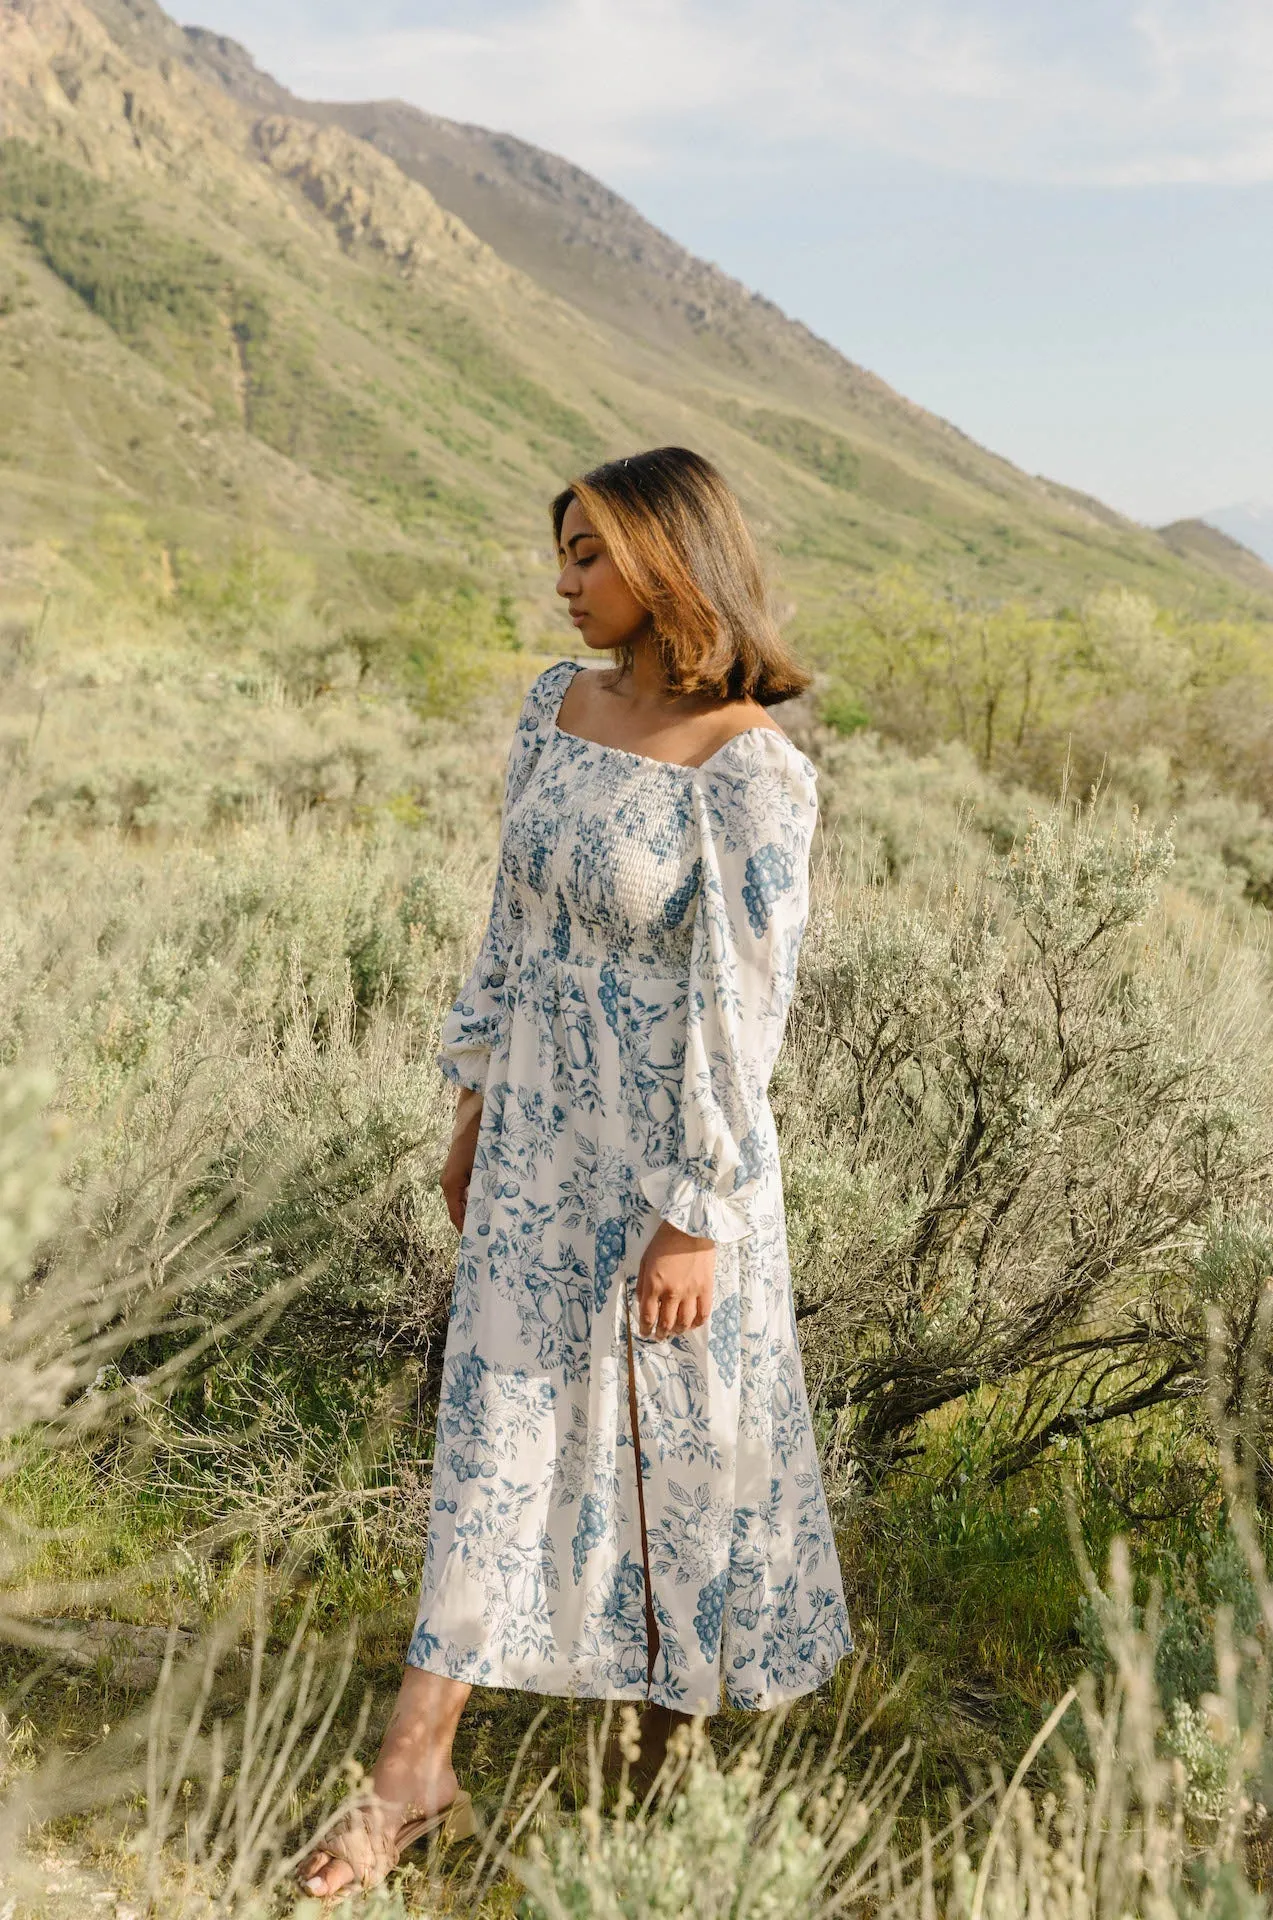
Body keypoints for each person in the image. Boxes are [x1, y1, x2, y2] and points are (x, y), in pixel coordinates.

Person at [298, 446, 850, 1896]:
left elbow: (748, 1010)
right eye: (562, 551)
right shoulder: (556, 708)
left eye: (591, 554)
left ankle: (661, 1781)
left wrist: (693, 1217)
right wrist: (470, 1101)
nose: (564, 580)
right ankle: (413, 1770)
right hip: (538, 1139)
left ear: (673, 563)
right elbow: (511, 923)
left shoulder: (754, 770)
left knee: (676, 1446)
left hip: (673, 1165)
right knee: (497, 1437)